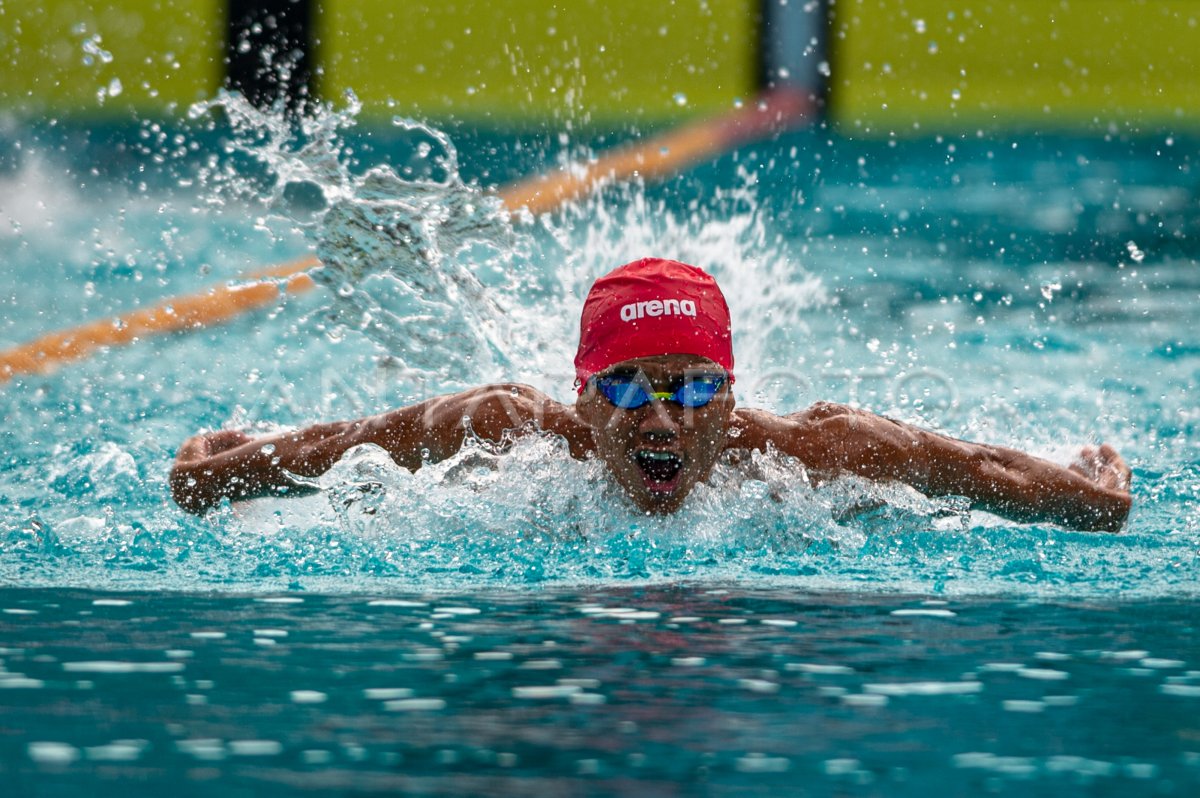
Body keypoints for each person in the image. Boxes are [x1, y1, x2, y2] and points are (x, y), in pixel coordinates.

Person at [171, 258, 1133, 532]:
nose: (662, 418)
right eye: (627, 388)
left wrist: (1090, 496)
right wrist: (221, 472)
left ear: (731, 395)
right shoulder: (505, 426)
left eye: (692, 387)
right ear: (582, 395)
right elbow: (359, 442)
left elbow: (970, 467)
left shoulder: (818, 450)